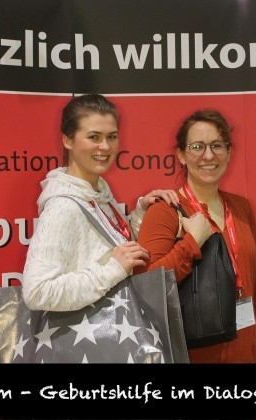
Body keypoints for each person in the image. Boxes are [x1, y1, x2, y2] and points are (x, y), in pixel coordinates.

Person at [134, 108, 256, 363]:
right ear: (181, 155)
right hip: (194, 353)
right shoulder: (165, 210)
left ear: (229, 153)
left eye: (217, 146)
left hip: (244, 349)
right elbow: (147, 286)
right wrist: (191, 244)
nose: (208, 155)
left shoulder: (241, 207)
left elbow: (255, 284)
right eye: (197, 147)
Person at [21, 94, 179, 312]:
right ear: (68, 140)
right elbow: (37, 292)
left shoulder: (98, 193)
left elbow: (110, 248)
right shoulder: (63, 207)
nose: (105, 146)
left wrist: (143, 211)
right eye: (94, 137)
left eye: (111, 137)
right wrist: (112, 269)